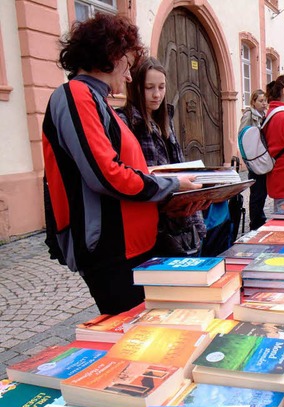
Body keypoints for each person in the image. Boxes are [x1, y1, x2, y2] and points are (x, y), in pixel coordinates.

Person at [42, 14, 201, 315]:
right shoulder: (76, 96)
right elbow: (105, 174)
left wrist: (174, 197)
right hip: (111, 249)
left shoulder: (97, 100)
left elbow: (129, 170)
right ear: (110, 57)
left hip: (132, 246)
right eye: (127, 65)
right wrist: (170, 186)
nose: (129, 77)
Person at [117, 57, 207, 257]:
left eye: (161, 87)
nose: (157, 94)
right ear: (136, 87)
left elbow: (179, 166)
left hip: (180, 219)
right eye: (149, 87)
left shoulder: (165, 120)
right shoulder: (124, 122)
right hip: (152, 222)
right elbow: (134, 176)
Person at [238, 89, 269, 230]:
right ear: (253, 102)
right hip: (254, 159)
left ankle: (260, 218)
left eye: (265, 101)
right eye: (260, 101)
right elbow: (242, 136)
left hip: (262, 157)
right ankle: (255, 223)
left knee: (262, 192)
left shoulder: (265, 115)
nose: (264, 104)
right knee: (257, 193)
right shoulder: (249, 115)